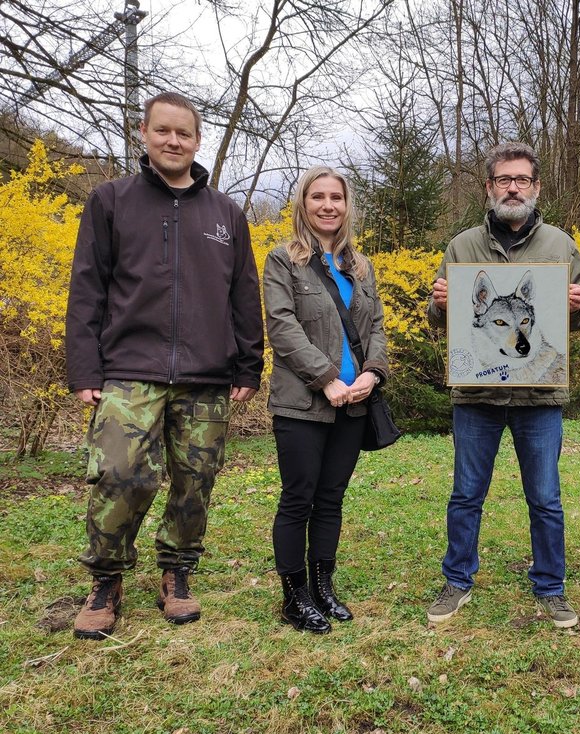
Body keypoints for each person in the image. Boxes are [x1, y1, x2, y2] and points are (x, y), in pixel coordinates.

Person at [66, 92, 264, 639]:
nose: (174, 141)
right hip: (129, 366)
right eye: (163, 132)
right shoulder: (111, 201)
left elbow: (243, 295)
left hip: (206, 373)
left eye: (184, 133)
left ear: (198, 140)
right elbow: (87, 287)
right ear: (144, 134)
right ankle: (107, 579)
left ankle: (176, 573)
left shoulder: (225, 213)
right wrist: (84, 368)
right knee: (119, 473)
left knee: (195, 480)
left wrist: (249, 365)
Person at [425, 142, 580, 628]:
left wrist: (577, 304)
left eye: (522, 180)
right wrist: (438, 302)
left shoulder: (560, 245)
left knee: (545, 497)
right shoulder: (462, 246)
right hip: (476, 396)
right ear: (490, 187)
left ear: (536, 187)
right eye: (504, 180)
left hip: (539, 396)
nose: (513, 187)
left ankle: (551, 587)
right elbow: (443, 318)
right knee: (465, 495)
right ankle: (457, 580)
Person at [263, 166, 390, 634]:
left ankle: (323, 586)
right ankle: (294, 596)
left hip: (354, 402)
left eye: (336, 197)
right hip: (303, 402)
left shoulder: (361, 266)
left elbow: (375, 326)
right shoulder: (284, 260)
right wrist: (326, 378)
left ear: (347, 205)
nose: (328, 205)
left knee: (331, 499)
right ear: (303, 204)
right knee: (299, 498)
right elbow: (282, 326)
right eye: (318, 197)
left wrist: (373, 374)